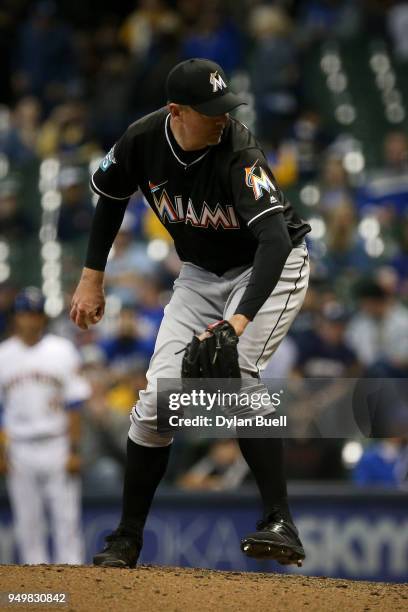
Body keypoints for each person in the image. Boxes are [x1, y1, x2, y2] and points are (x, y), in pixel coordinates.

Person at [70, 58, 311, 568]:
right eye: (209, 110)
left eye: (225, 107)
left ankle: (280, 520)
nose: (222, 117)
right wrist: (92, 276)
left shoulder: (238, 149)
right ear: (176, 112)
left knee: (236, 369)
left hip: (271, 266)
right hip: (201, 274)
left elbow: (271, 238)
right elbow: (111, 197)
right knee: (157, 403)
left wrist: (238, 320)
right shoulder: (141, 140)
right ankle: (127, 538)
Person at [0, 287, 89, 564]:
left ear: (43, 318)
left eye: (35, 314)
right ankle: (36, 598)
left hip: (57, 443)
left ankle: (75, 592)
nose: (30, 320)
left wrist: (74, 449)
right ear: (16, 317)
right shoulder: (3, 355)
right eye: (25, 313)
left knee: (67, 521)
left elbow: (75, 403)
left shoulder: (61, 350)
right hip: (19, 448)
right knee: (28, 524)